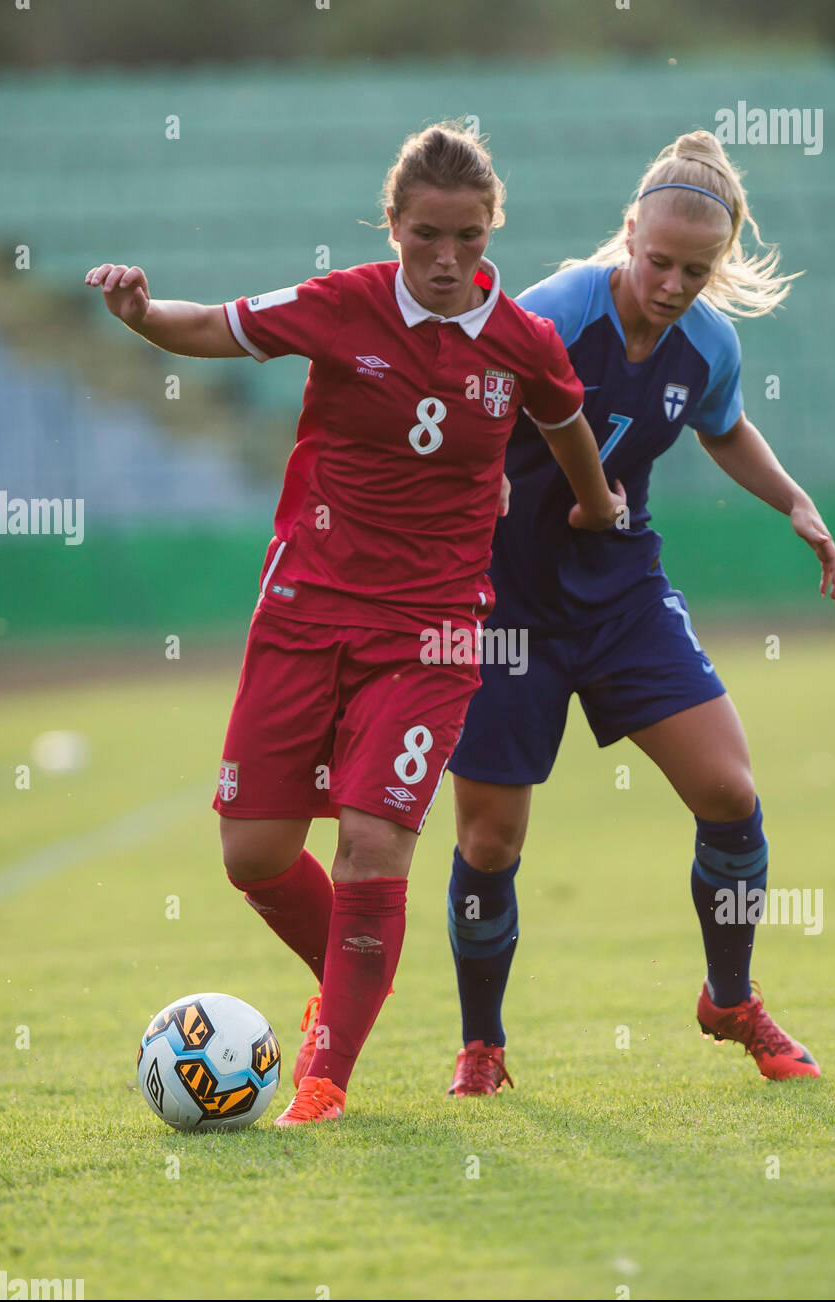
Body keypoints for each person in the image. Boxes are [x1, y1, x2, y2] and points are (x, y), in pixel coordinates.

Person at [85, 121, 625, 1126]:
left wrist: (595, 502)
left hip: (431, 631)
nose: (448, 258)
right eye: (427, 234)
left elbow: (565, 423)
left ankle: (324, 1080)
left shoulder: (523, 340)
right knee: (251, 854)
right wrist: (139, 312)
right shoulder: (343, 305)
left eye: (468, 236)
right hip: (304, 609)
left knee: (375, 842)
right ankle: (351, 974)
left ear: (490, 229)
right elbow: (213, 326)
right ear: (392, 227)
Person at [444, 129, 835, 1096]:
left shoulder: (708, 340)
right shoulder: (552, 312)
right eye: (657, 260)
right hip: (504, 602)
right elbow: (464, 403)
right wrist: (474, 488)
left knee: (730, 794)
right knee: (489, 841)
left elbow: (724, 422)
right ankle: (482, 1047)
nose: (670, 283)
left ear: (722, 263)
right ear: (627, 233)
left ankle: (729, 999)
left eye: (695, 269)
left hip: (619, 592)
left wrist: (790, 498)